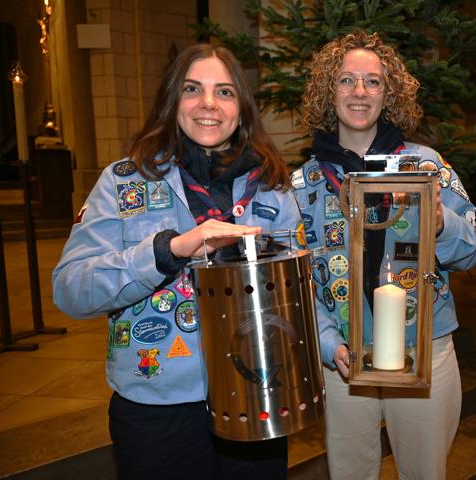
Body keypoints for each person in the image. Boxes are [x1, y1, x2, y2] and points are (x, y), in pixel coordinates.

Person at [52, 44, 301, 479]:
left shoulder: (272, 188)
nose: (209, 103)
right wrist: (167, 251)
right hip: (158, 409)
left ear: (241, 108)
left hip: (257, 393)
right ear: (172, 101)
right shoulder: (124, 182)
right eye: (192, 89)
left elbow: (298, 294)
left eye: (224, 91)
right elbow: (71, 290)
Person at [292, 31, 476, 479]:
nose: (359, 91)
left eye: (373, 81)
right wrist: (328, 344)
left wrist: (442, 223)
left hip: (424, 350)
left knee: (424, 471)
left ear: (389, 93)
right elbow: (299, 280)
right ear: (328, 92)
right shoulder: (304, 185)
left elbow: (475, 247)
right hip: (343, 357)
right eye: (346, 80)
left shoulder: (427, 167)